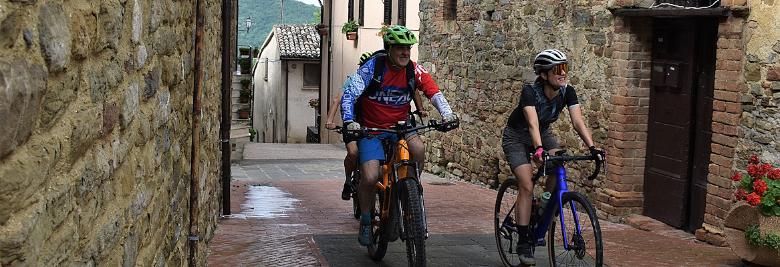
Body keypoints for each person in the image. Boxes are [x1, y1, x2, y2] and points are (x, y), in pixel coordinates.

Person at [340, 25, 458, 246]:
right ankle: (366, 219)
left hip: (402, 127)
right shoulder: (372, 68)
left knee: (419, 150)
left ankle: (411, 188)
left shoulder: (414, 70)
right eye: (400, 48)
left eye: (408, 48)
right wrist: (349, 121)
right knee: (370, 176)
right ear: (389, 49)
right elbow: (349, 96)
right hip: (372, 130)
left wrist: (447, 113)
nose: (405, 52)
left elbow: (434, 91)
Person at [501, 49, 601, 265]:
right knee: (526, 185)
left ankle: (545, 204)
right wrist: (538, 149)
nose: (562, 73)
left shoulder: (567, 91)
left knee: (559, 163)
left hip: (544, 133)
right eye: (557, 70)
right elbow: (532, 123)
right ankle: (523, 242)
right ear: (544, 75)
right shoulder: (530, 92)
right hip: (517, 137)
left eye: (565, 68)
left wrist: (593, 148)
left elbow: (577, 122)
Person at [324, 51, 427, 201]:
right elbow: (338, 99)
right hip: (355, 120)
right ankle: (348, 180)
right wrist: (330, 120)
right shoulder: (356, 80)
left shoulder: (384, 78)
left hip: (379, 124)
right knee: (353, 152)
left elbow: (414, 91)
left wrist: (421, 109)